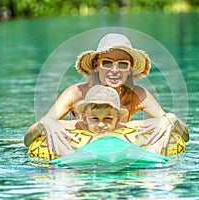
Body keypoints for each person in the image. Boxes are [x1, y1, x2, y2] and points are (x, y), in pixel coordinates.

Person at [24, 33, 189, 157]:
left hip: (120, 159)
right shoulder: (76, 93)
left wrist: (172, 119)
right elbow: (28, 138)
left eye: (122, 64)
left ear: (130, 69)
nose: (115, 70)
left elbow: (184, 135)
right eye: (107, 63)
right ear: (96, 66)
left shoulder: (137, 94)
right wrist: (45, 123)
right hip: (80, 158)